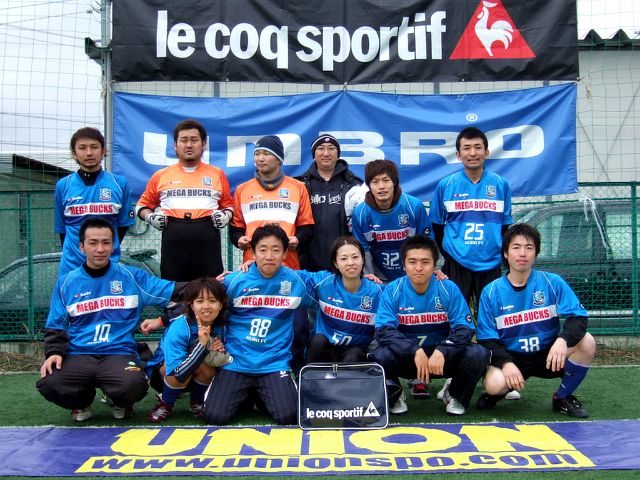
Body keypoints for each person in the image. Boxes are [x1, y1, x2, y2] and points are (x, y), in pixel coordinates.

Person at [36, 218, 187, 421]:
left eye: (106, 242)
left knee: (134, 384)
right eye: (93, 243)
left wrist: (211, 285)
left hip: (119, 353)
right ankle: (81, 401)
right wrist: (54, 352)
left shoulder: (131, 277)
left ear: (113, 245)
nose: (100, 249)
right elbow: (56, 324)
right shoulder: (67, 283)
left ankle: (120, 401)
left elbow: (174, 290)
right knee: (50, 382)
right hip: (79, 353)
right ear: (81, 247)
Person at [475, 223, 596, 418]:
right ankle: (498, 392)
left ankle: (562, 397)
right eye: (516, 247)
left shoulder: (552, 282)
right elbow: (486, 338)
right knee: (494, 384)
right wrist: (505, 363)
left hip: (549, 354)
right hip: (513, 357)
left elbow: (579, 317)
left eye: (529, 247)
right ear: (505, 253)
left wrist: (563, 340)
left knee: (587, 342)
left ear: (535, 253)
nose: (522, 253)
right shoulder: (491, 291)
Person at [202, 224, 314, 426]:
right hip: (236, 361)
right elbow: (202, 301)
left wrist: (363, 280)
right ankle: (250, 394)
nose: (269, 256)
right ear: (253, 252)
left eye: (276, 250)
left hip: (273, 363)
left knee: (289, 416)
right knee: (214, 417)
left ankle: (258, 394)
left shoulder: (297, 281)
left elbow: (333, 282)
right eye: (263, 250)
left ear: (285, 253)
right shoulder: (234, 281)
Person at [369, 235, 489, 416]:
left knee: (478, 354)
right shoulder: (393, 290)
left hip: (440, 358)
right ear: (403, 265)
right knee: (379, 355)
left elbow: (465, 328)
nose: (418, 268)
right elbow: (384, 331)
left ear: (434, 265)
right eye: (412, 262)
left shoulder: (448, 288)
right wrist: (414, 350)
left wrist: (443, 350)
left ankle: (454, 394)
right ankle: (395, 395)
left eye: (425, 262)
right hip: (409, 358)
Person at [136, 119, 233, 281]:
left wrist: (226, 215)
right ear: (175, 145)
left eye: (194, 140)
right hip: (173, 242)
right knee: (174, 291)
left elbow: (229, 206)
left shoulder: (217, 174)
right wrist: (150, 217)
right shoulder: (161, 175)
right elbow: (141, 206)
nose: (189, 145)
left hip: (208, 243)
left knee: (210, 290)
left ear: (203, 144)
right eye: (184, 140)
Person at [429, 126, 513, 308]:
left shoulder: (501, 184)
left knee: (491, 314)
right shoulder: (446, 185)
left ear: (486, 153)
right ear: (458, 155)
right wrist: (451, 255)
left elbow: (504, 227)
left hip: (490, 263)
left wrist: (494, 249)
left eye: (478, 147)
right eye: (467, 148)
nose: (473, 153)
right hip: (457, 264)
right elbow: (437, 226)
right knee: (456, 315)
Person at [146, 277, 230, 422]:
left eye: (212, 301)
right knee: (171, 369)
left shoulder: (224, 326)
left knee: (210, 366)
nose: (206, 306)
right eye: (200, 301)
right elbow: (178, 372)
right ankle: (166, 403)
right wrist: (202, 345)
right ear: (191, 305)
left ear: (221, 304)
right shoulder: (180, 326)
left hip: (196, 371)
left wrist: (221, 350)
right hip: (165, 375)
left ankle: (197, 401)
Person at [54, 127, 134, 276]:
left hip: (108, 267)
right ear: (74, 153)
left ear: (103, 151)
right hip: (72, 268)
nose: (89, 153)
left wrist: (105, 251)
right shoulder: (63, 185)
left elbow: (123, 226)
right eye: (82, 148)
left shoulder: (119, 184)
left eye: (94, 147)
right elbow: (62, 230)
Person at [230, 135, 314, 270]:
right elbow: (236, 228)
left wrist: (297, 239)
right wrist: (239, 239)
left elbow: (307, 227)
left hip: (288, 265)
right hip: (252, 265)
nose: (260, 158)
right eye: (257, 154)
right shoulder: (242, 189)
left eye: (266, 154)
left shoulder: (298, 187)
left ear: (279, 158)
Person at [351, 159, 432, 282]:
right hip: (379, 277)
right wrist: (371, 281)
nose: (381, 186)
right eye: (375, 182)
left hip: (411, 277)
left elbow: (426, 243)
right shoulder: (360, 213)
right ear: (369, 185)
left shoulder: (414, 206)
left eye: (386, 180)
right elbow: (362, 251)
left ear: (394, 182)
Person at [305, 236, 383, 363]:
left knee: (353, 355)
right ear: (335, 263)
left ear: (363, 259)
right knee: (318, 341)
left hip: (356, 352)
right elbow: (294, 277)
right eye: (343, 258)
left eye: (355, 257)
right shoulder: (323, 282)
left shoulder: (377, 291)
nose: (350, 263)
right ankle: (309, 376)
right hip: (326, 349)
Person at [296, 134, 363, 271]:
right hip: (307, 264)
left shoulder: (354, 185)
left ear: (338, 154)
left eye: (331, 148)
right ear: (314, 154)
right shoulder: (300, 185)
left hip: (344, 264)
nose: (326, 153)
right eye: (321, 148)